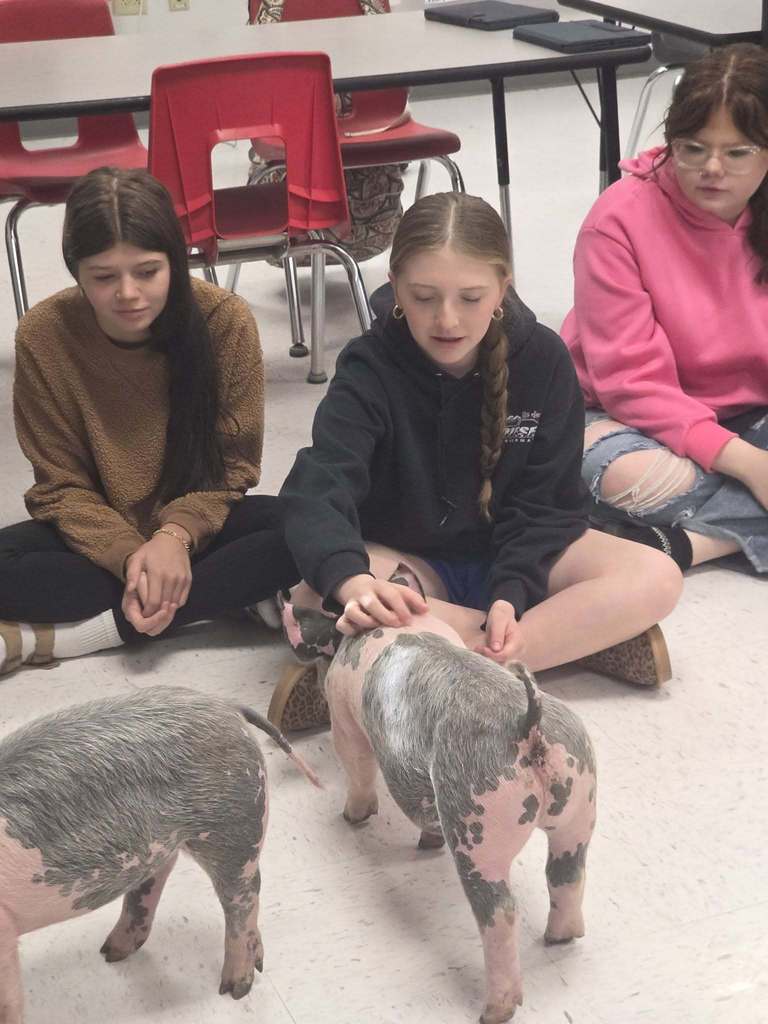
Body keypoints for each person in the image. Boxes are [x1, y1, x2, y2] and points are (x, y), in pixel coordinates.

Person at [271, 192, 681, 728]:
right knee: (318, 593)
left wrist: (513, 592)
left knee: (656, 575)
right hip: (412, 564)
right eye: (423, 297)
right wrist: (352, 583)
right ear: (394, 287)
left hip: (520, 556)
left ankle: (383, 673)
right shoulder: (369, 367)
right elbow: (318, 487)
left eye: (470, 297)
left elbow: (547, 505)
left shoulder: (543, 359)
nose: (447, 319)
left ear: (502, 288)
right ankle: (561, 646)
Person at [0, 167, 298, 678]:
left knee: (303, 526)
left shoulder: (223, 321)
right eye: (104, 277)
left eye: (147, 271)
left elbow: (233, 470)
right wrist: (129, 555)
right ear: (75, 270)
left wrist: (174, 539)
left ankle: (71, 638)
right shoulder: (43, 336)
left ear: (176, 262)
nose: (128, 293)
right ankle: (226, 594)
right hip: (95, 540)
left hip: (196, 531)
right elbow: (59, 486)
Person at [561, 43, 768, 576]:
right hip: (628, 417)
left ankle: (694, 544)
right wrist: (750, 466)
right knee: (616, 473)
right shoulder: (617, 222)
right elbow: (633, 384)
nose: (712, 169)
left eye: (738, 152)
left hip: (748, 416)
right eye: (693, 148)